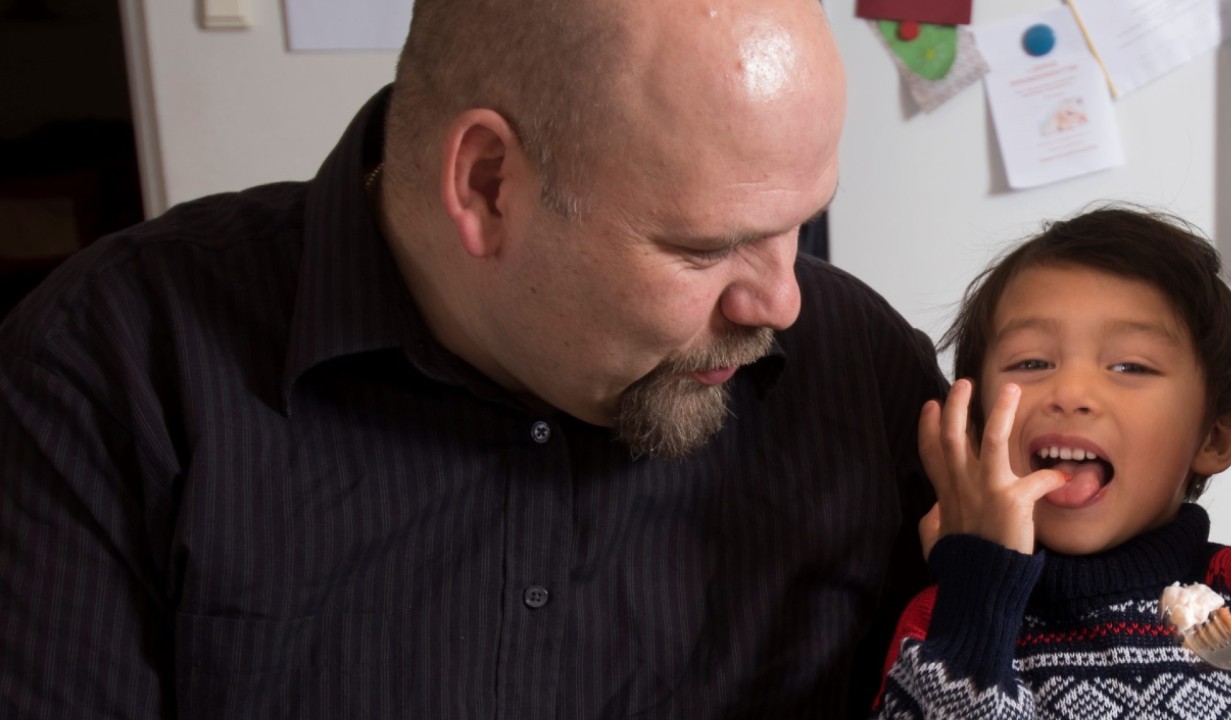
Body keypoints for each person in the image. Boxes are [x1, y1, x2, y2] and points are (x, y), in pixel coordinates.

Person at [0, 1, 949, 717]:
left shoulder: (856, 371)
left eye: (801, 222)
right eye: (707, 248)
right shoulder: (105, 371)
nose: (781, 303)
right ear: (489, 183)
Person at [871, 205, 1231, 719]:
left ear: (1215, 436)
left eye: (1130, 366)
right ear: (974, 425)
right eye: (1032, 362)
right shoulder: (949, 615)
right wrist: (979, 593)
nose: (1069, 393)